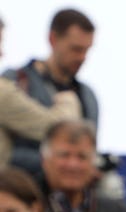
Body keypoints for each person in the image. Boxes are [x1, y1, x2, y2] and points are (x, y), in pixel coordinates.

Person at [2, 9, 98, 174]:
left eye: (86, 50)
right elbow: (7, 152)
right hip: (22, 191)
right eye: (76, 49)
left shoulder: (87, 96)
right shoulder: (15, 82)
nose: (82, 57)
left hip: (69, 196)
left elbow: (89, 151)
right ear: (53, 39)